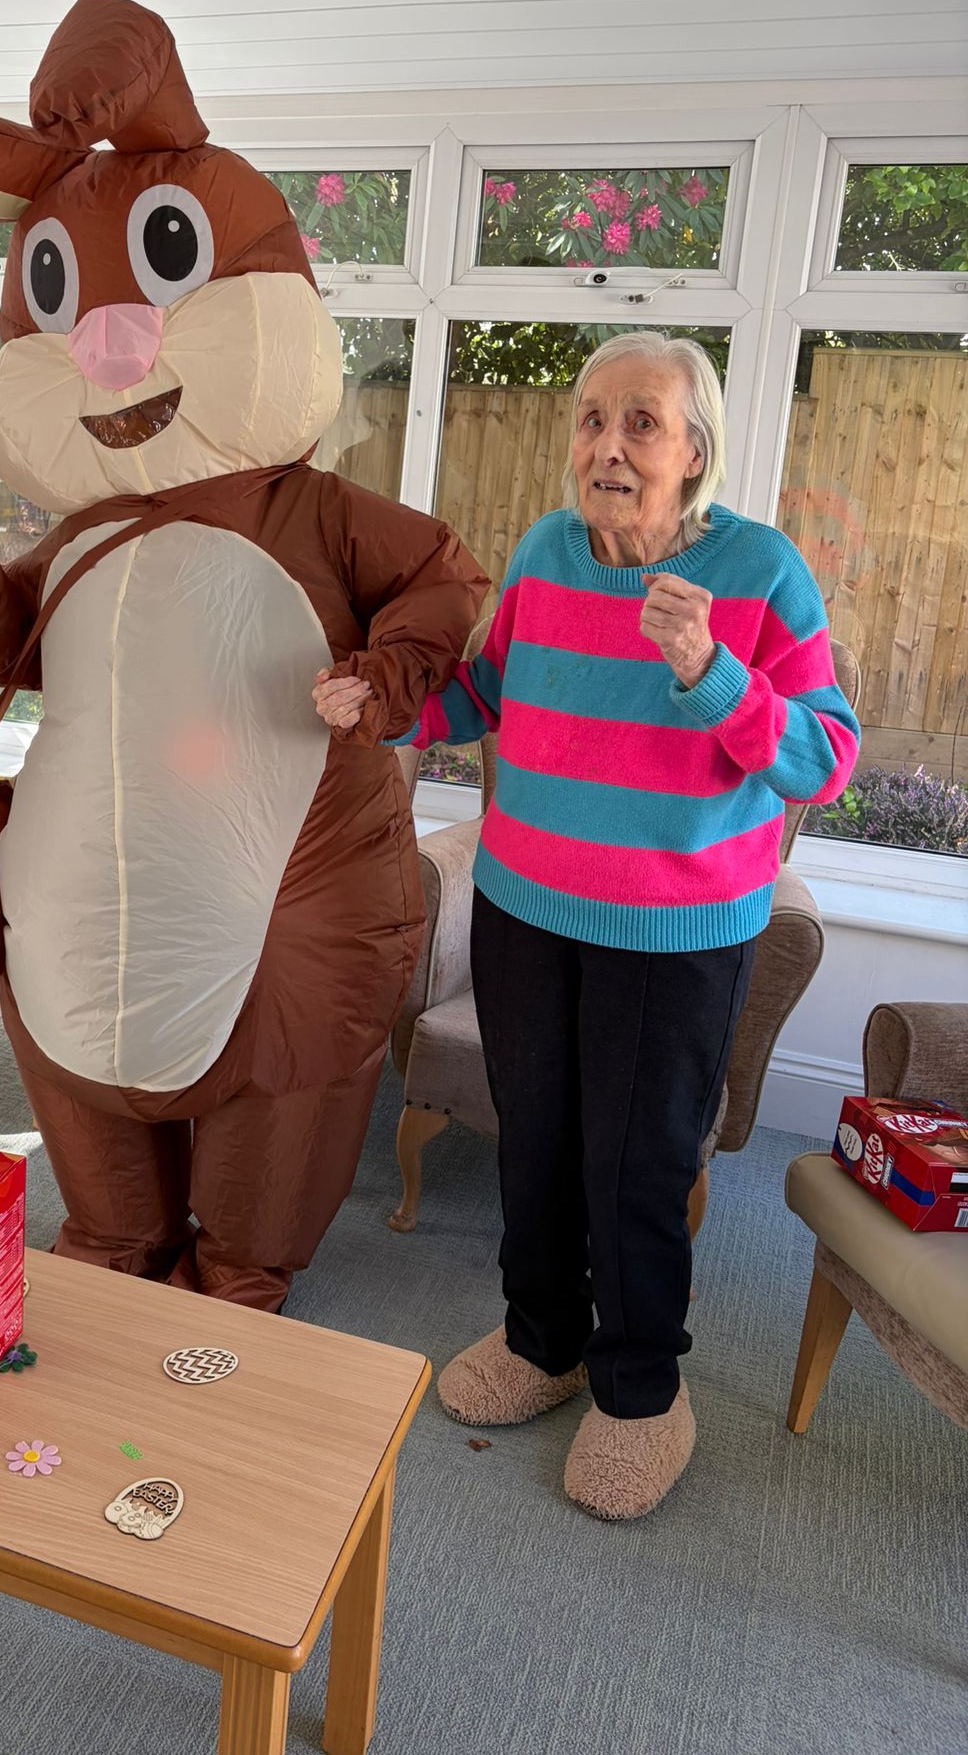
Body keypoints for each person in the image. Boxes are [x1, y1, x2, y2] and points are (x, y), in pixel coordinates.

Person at [313, 330, 859, 1519]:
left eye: (641, 423)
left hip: (676, 934)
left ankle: (641, 1391)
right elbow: (490, 693)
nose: (606, 444)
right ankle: (541, 1336)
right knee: (539, 1139)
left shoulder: (760, 573)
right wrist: (385, 705)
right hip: (526, 910)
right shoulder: (550, 552)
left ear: (694, 450)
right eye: (591, 419)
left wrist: (711, 667)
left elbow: (824, 758)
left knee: (640, 1165)